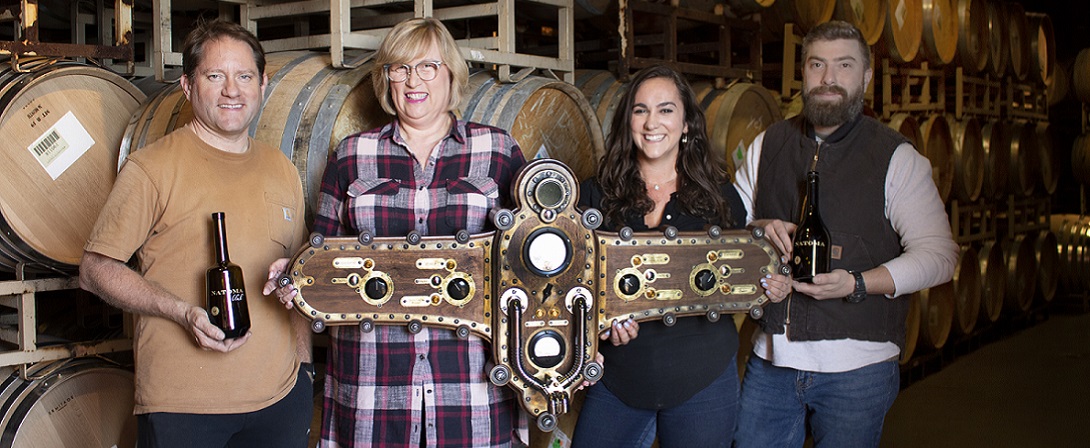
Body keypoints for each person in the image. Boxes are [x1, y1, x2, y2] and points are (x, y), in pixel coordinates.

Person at [265, 17, 527, 447]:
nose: (412, 80)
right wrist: (295, 275)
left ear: (451, 74)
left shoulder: (497, 150)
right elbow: (322, 252)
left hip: (469, 381)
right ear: (385, 79)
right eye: (399, 68)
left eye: (428, 66)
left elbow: (535, 261)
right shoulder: (353, 154)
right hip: (373, 381)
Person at [79, 19, 312, 447]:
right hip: (182, 407)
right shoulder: (152, 168)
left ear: (262, 84)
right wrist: (179, 311)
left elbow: (297, 277)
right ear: (187, 86)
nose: (231, 90)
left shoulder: (282, 168)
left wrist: (304, 368)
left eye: (244, 76)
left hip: (280, 400)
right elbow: (95, 270)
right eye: (214, 76)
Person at [732, 20, 959, 447]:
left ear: (867, 76)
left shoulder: (895, 156)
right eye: (817, 64)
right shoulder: (769, 144)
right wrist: (759, 228)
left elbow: (940, 254)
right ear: (803, 72)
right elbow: (729, 232)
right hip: (771, 361)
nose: (829, 79)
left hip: (859, 371)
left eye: (844, 65)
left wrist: (858, 283)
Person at [570, 65, 791, 448]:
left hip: (702, 382)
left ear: (687, 123)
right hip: (620, 378)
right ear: (628, 121)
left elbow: (746, 274)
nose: (652, 122)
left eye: (666, 109)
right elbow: (571, 286)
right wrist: (597, 327)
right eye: (640, 110)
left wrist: (775, 283)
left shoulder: (718, 196)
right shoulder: (595, 195)